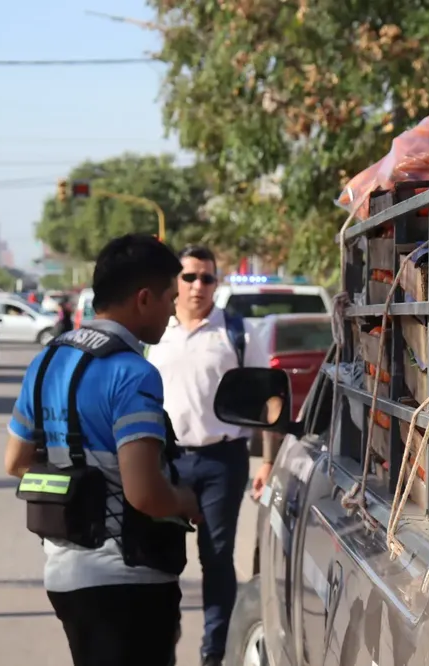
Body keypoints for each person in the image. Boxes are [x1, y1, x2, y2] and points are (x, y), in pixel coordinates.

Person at [4, 234, 202, 666]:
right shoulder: (133, 374)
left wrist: (77, 482)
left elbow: (16, 462)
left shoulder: (45, 363)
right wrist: (186, 500)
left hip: (64, 573)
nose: (174, 310)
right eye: (170, 298)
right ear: (144, 299)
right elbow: (144, 493)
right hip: (127, 579)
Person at [147, 245, 271, 666]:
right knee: (158, 559)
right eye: (189, 277)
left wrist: (267, 461)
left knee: (217, 560)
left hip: (223, 461)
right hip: (166, 462)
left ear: (217, 284)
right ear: (174, 283)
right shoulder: (155, 334)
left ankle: (213, 655)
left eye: (207, 278)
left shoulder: (238, 333)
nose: (199, 285)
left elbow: (266, 398)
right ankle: (159, 646)